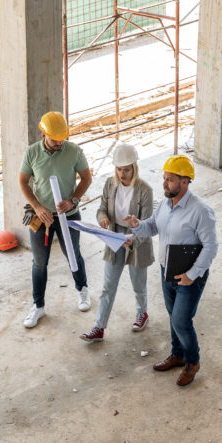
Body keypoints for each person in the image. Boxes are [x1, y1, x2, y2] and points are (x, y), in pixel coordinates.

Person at [123, 154, 217, 386]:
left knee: (181, 321)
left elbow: (211, 247)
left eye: (170, 180)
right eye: (164, 178)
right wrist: (137, 225)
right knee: (173, 318)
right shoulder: (165, 204)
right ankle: (177, 355)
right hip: (168, 271)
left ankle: (192, 362)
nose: (164, 184)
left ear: (185, 182)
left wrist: (192, 275)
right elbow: (153, 227)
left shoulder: (201, 211)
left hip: (190, 276)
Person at [19, 111, 93, 328]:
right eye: (54, 139)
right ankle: (38, 306)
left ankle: (83, 290)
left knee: (73, 254)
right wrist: (37, 207)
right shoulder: (32, 153)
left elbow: (87, 177)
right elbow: (23, 181)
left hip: (68, 214)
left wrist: (74, 200)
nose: (59, 142)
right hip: (42, 218)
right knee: (39, 262)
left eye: (62, 138)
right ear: (43, 133)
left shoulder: (73, 151)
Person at [80, 144, 154, 343]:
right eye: (119, 169)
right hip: (114, 237)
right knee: (108, 286)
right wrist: (103, 219)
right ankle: (99, 327)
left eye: (127, 169)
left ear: (134, 167)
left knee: (138, 283)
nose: (123, 174)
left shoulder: (145, 190)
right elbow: (101, 209)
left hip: (135, 237)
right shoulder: (109, 185)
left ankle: (142, 313)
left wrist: (132, 241)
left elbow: (147, 225)